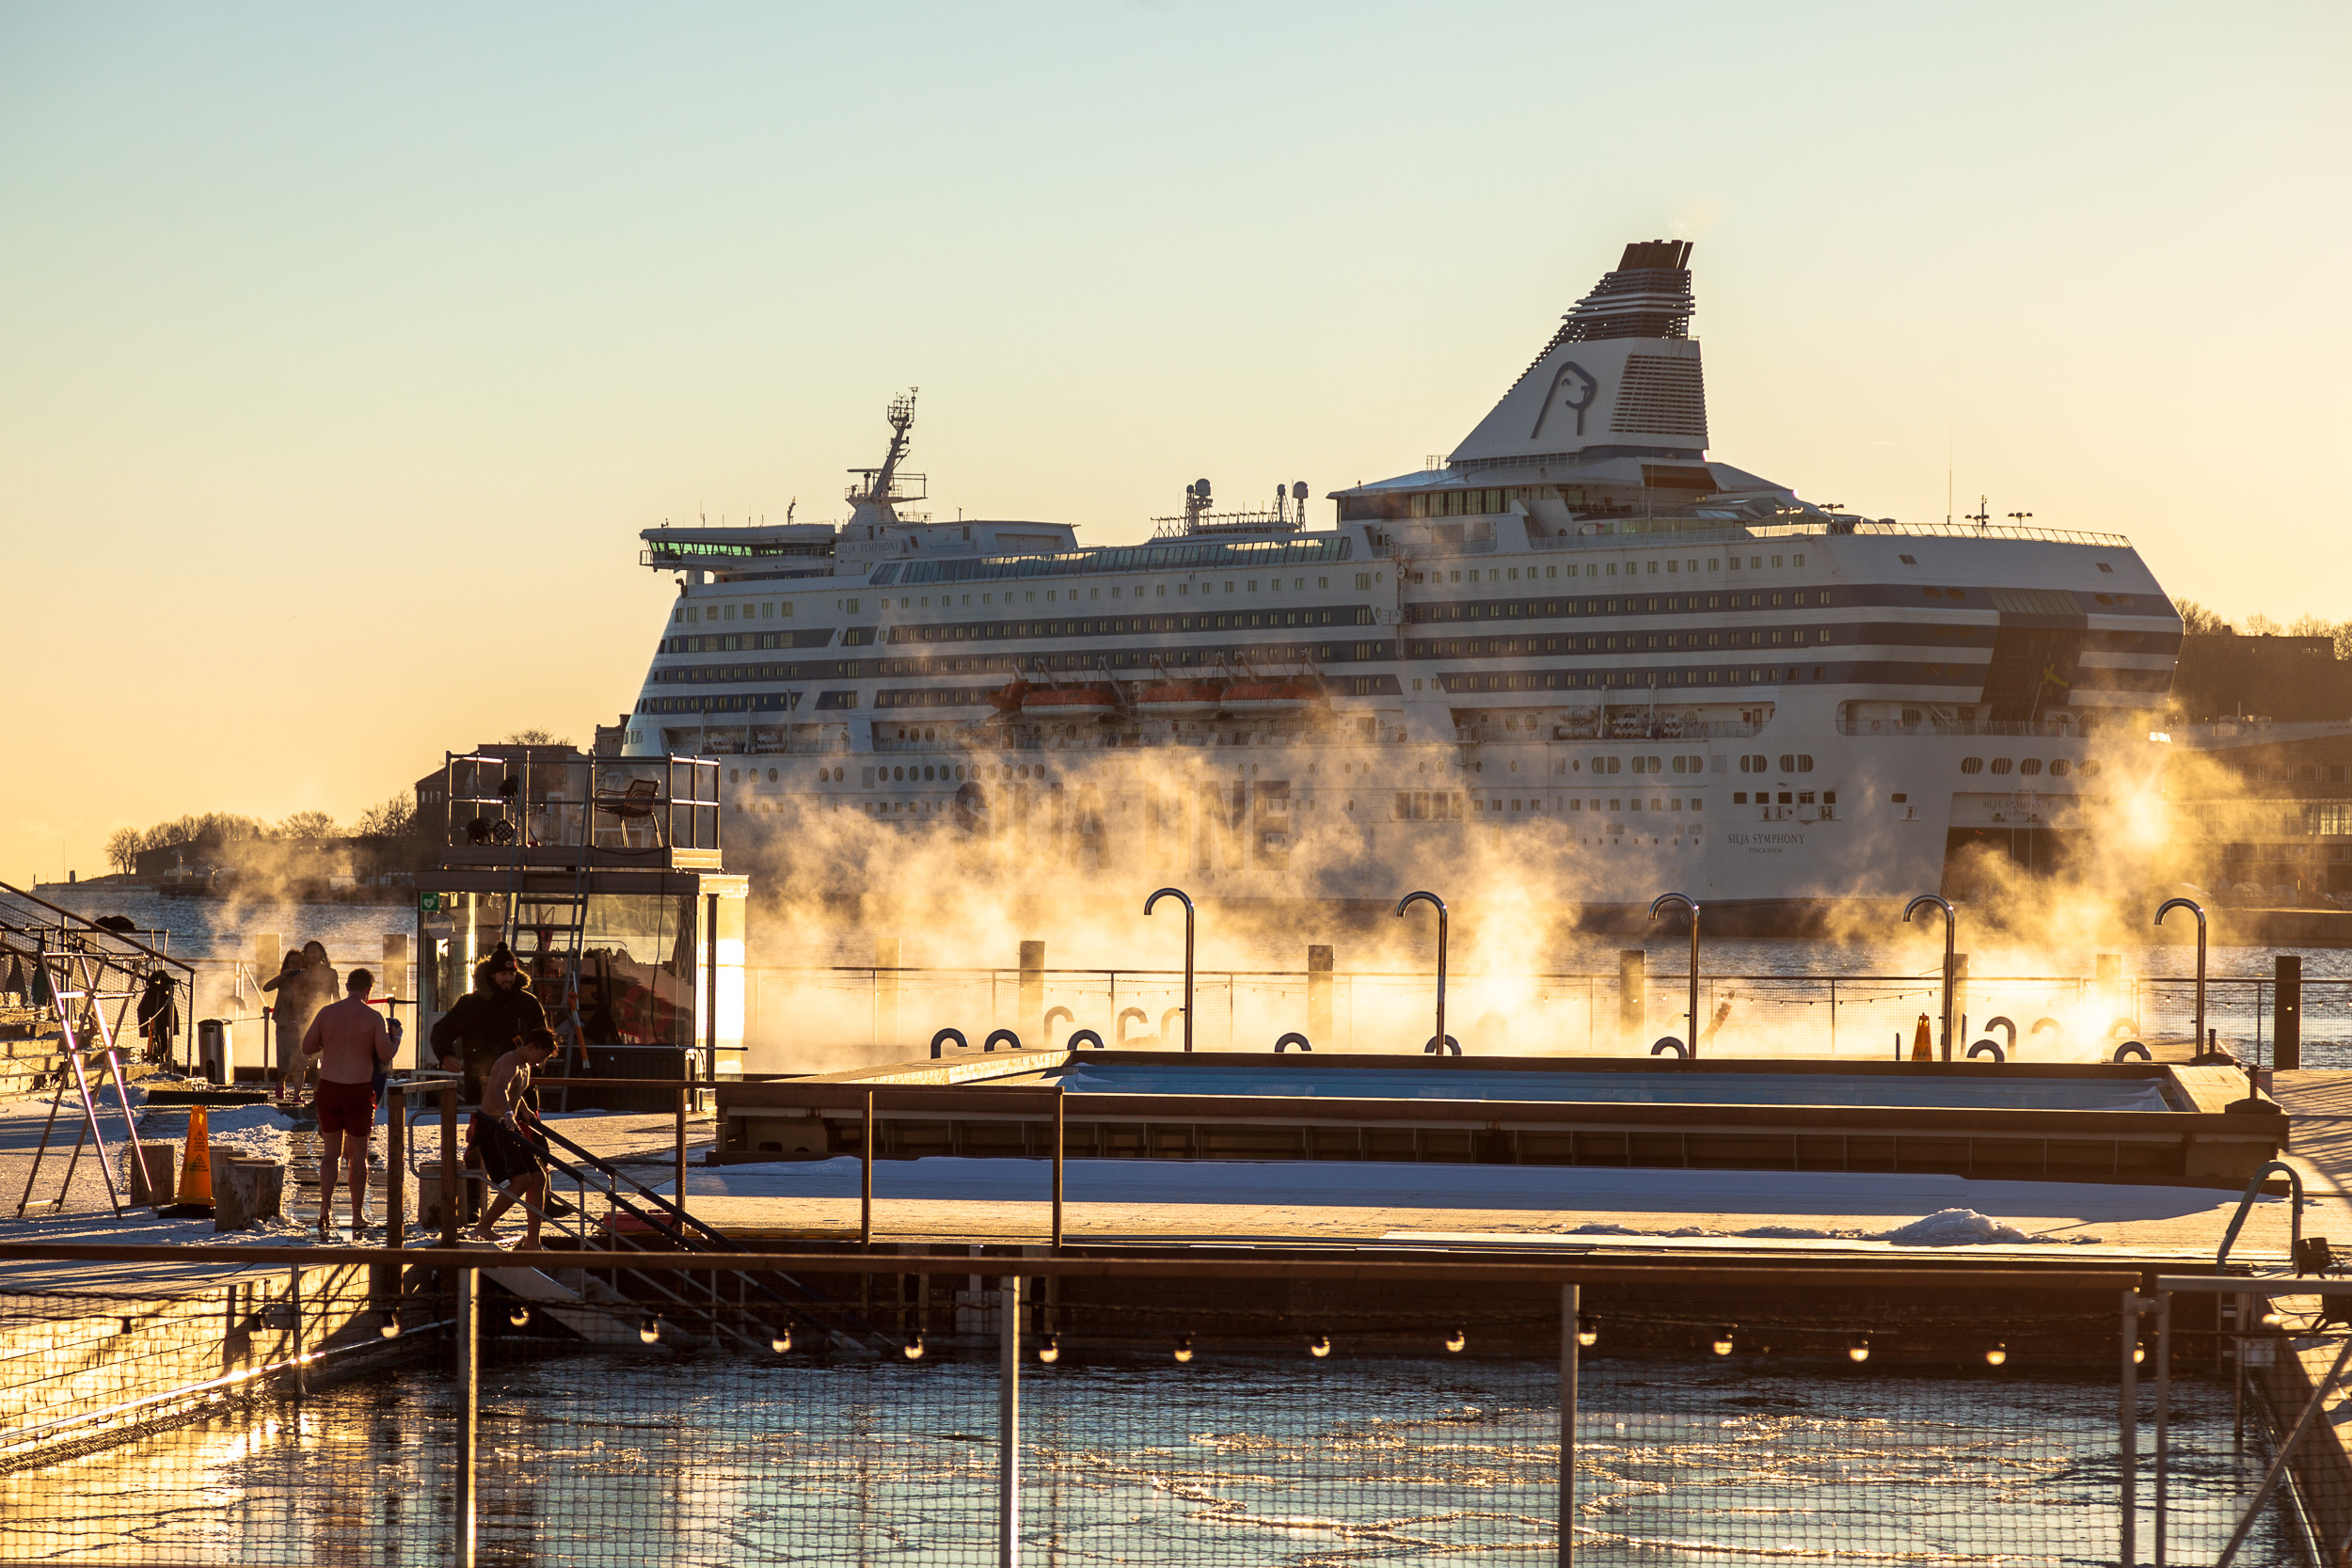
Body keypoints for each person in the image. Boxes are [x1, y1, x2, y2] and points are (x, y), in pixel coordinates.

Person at [301, 967, 399, 1237]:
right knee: (358, 1155)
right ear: (369, 989)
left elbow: (307, 1047)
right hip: (358, 1090)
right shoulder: (373, 1017)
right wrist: (397, 1037)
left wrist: (330, 1043)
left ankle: (324, 1208)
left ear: (346, 986)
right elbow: (385, 1055)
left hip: (329, 1088)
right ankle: (356, 1215)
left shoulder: (326, 1013)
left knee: (330, 1153)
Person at [469, 1026, 558, 1248]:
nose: (541, 1062)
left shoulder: (525, 1065)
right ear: (531, 1047)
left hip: (507, 1124)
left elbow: (515, 1092)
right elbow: (500, 1089)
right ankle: (483, 1226)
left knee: (538, 1178)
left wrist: (524, 1110)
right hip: (492, 1123)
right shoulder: (509, 1062)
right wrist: (509, 1113)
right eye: (541, 1056)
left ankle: (533, 1241)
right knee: (522, 1180)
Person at [428, 943, 547, 1103]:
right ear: (492, 975)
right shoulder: (471, 1004)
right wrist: (446, 1055)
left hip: (522, 1090)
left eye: (511, 973)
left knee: (522, 1120)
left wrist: (536, 1068)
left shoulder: (529, 1003)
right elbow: (442, 1030)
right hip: (481, 1090)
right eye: (503, 973)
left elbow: (543, 1039)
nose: (508, 978)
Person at [261, 951, 311, 1103]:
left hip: (303, 1024)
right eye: (291, 962)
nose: (294, 965)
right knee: (285, 1059)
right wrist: (282, 976)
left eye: (297, 962)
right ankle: (280, 1083)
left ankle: (297, 1094)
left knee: (301, 1061)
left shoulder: (307, 979)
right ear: (286, 964)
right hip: (283, 1024)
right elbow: (266, 988)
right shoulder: (283, 979)